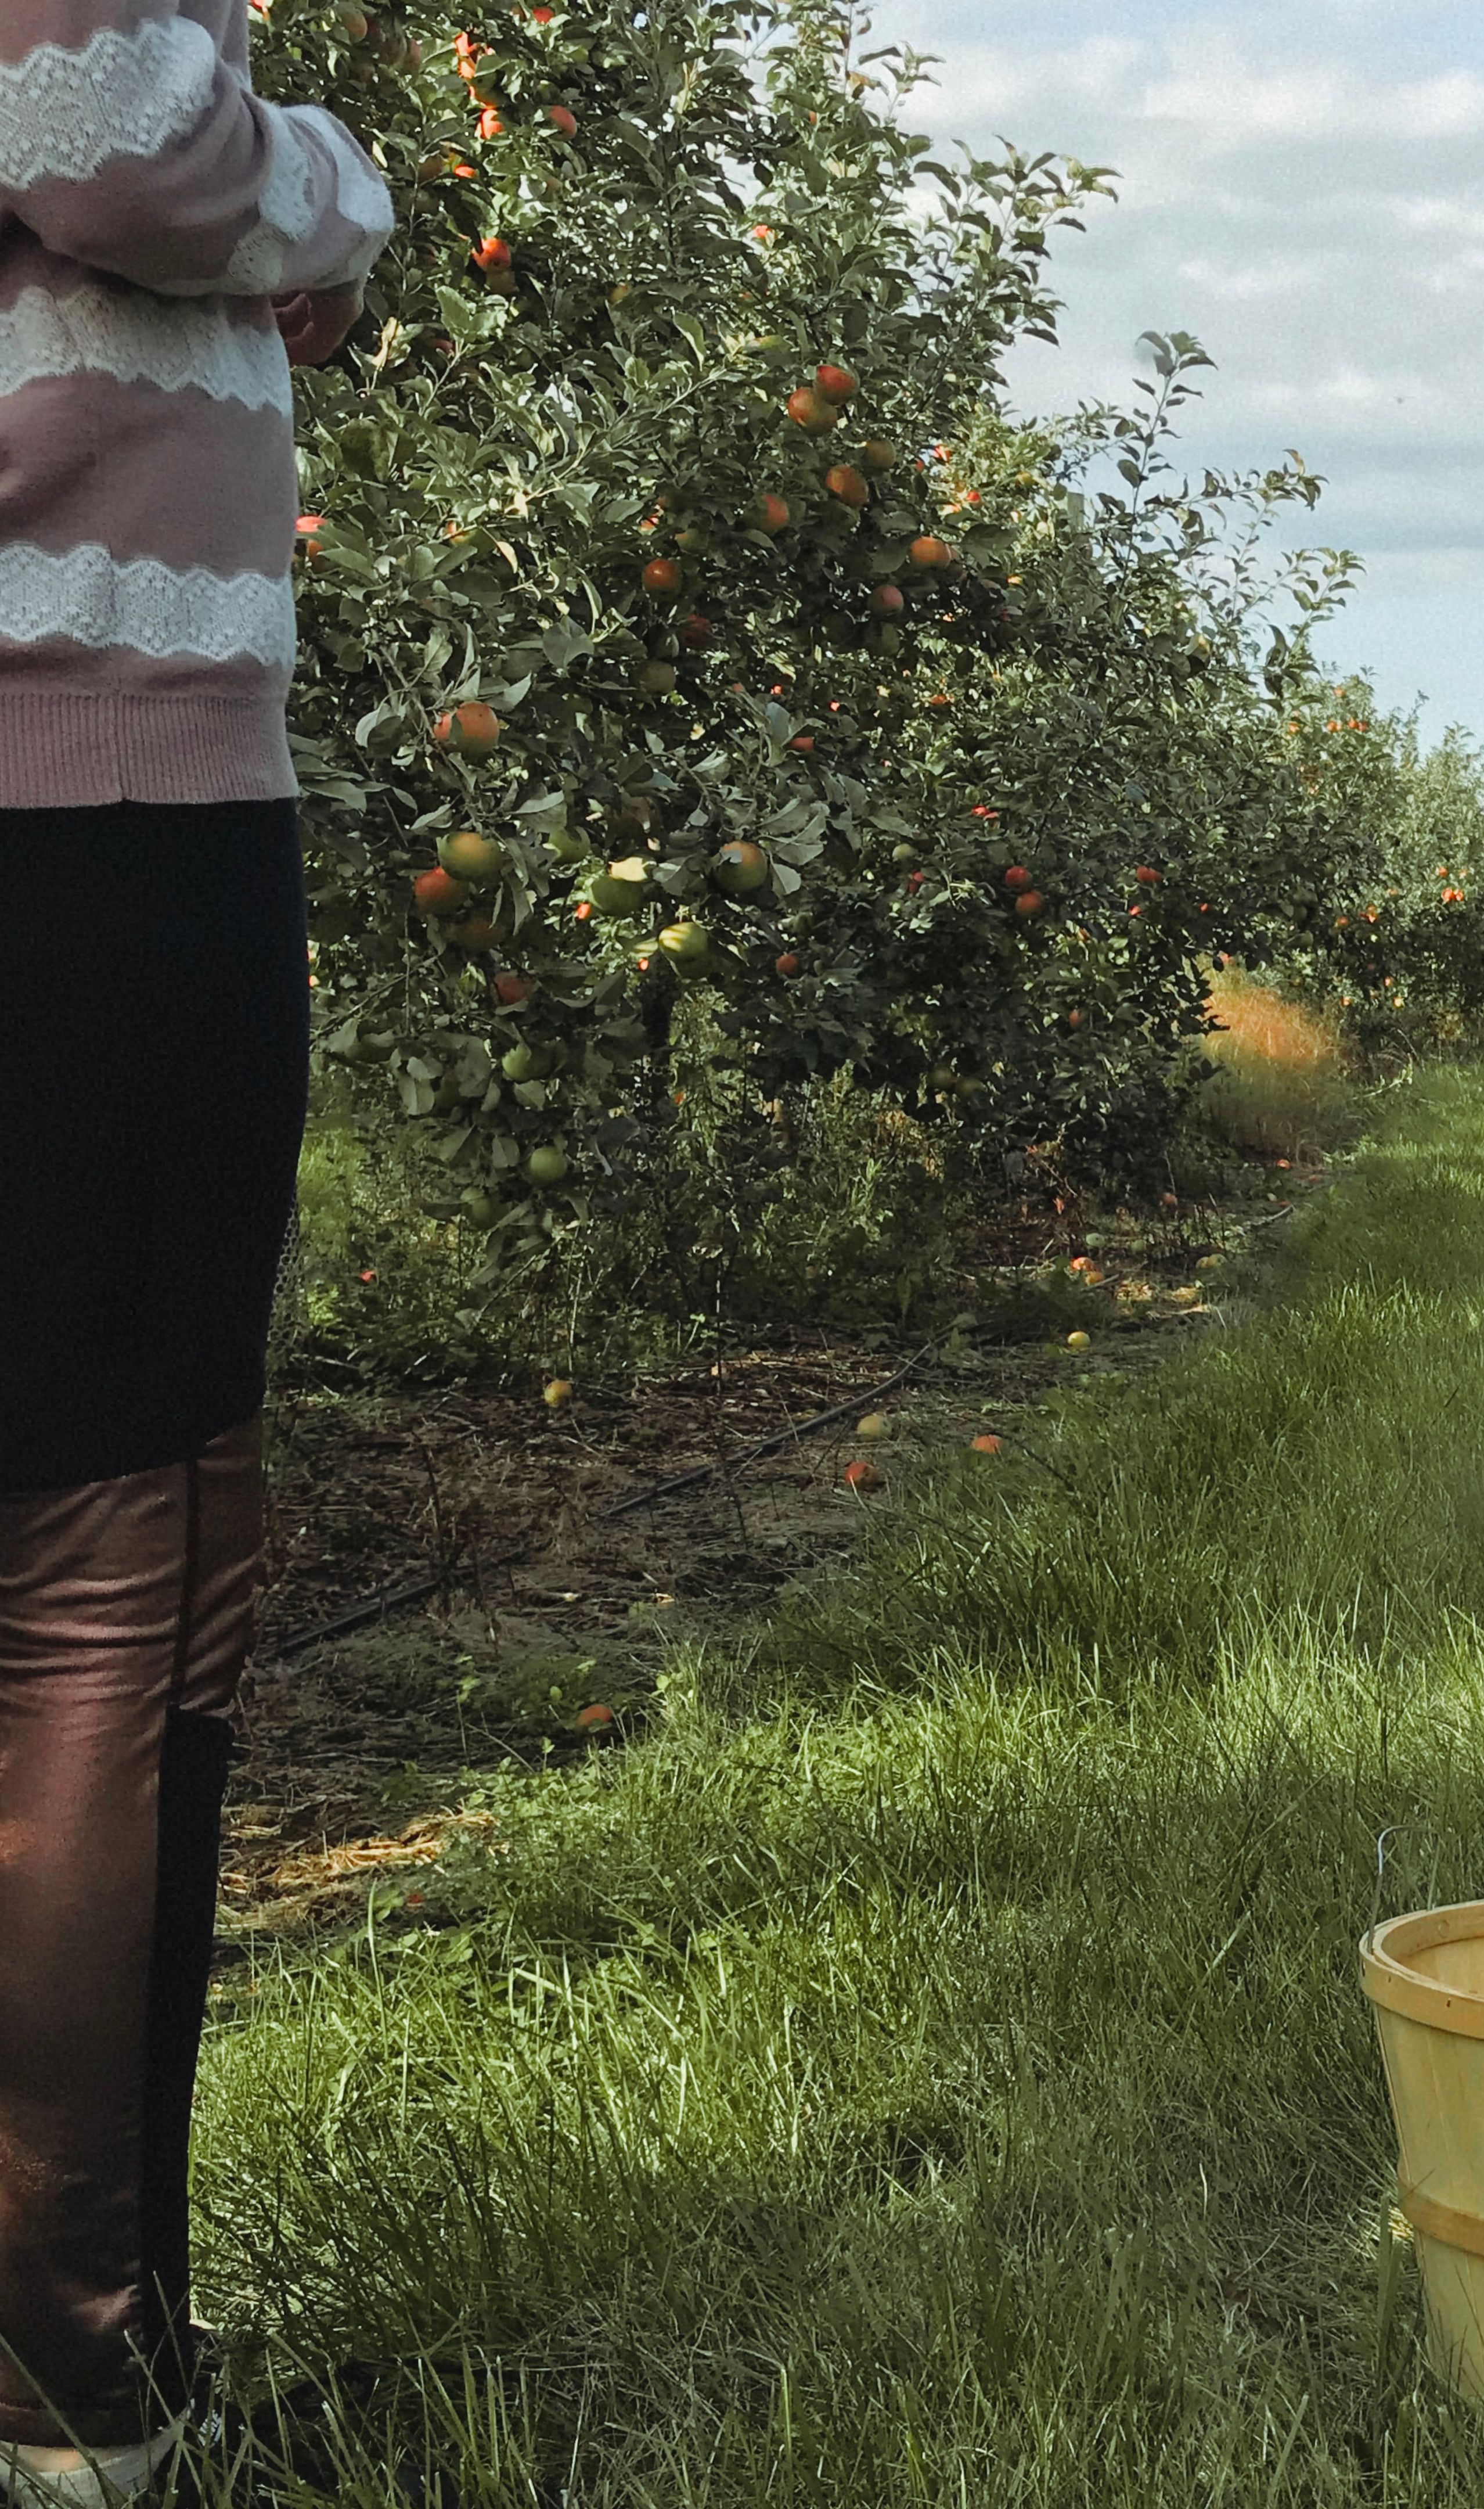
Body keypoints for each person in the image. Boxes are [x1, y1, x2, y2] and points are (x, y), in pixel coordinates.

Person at [0, 7, 394, 2501]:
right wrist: (325, 197)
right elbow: (106, 130)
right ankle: (74, 2364)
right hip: (91, 804)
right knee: (105, 1581)